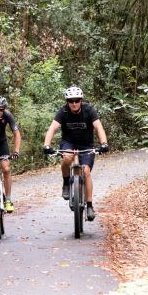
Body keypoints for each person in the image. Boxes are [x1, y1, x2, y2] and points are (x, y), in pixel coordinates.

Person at [42, 86, 109, 221]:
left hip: (86, 144)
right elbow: (53, 128)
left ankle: (89, 205)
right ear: (67, 101)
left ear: (81, 100)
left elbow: (98, 127)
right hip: (69, 143)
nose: (74, 103)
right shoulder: (63, 111)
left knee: (86, 171)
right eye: (71, 101)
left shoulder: (89, 110)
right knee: (66, 157)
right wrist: (46, 145)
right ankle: (66, 182)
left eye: (77, 100)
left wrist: (104, 143)